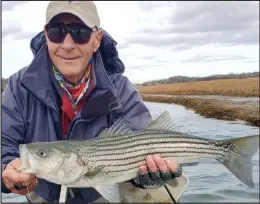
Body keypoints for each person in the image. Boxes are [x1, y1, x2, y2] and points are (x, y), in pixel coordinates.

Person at [1, 1, 182, 203]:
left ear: (97, 39)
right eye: (56, 32)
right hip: (44, 193)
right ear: (45, 36)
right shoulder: (19, 86)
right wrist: (5, 169)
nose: (67, 45)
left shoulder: (120, 90)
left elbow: (147, 142)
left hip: (103, 193)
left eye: (80, 32)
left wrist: (147, 177)